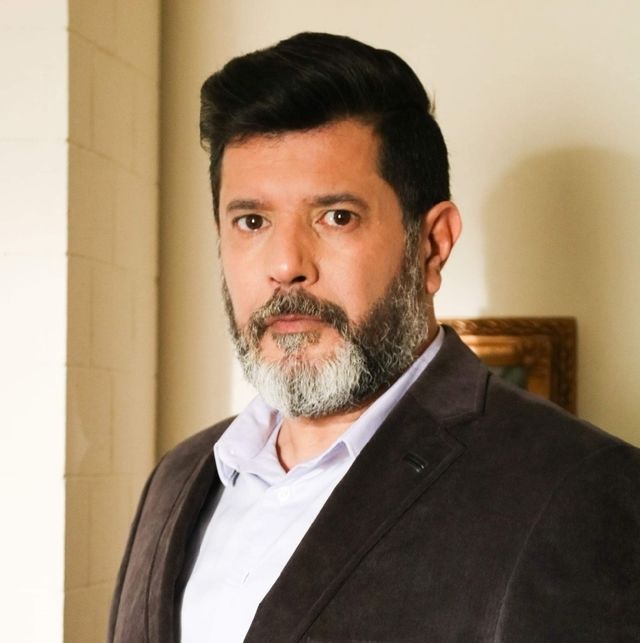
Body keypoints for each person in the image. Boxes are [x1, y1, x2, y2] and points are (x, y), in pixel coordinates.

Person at [109, 33, 640, 643]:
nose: (285, 265)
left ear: (431, 245)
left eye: (336, 217)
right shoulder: (177, 478)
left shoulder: (581, 491)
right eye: (251, 221)